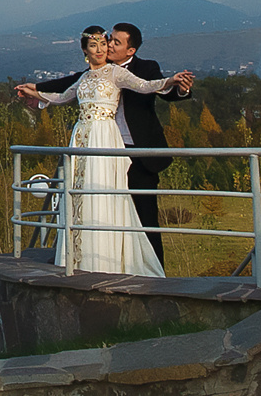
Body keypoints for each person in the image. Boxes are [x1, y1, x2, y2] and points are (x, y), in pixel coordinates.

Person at [15, 26, 193, 277]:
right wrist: (36, 88)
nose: (107, 46)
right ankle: (87, 256)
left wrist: (176, 83)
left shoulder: (137, 69)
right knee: (90, 197)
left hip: (134, 150)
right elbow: (67, 88)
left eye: (113, 42)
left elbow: (149, 86)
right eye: (104, 42)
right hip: (89, 140)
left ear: (130, 49)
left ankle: (148, 274)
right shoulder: (89, 74)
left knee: (143, 216)